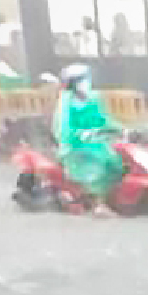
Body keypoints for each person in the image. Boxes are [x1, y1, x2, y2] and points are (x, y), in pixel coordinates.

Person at [52, 64, 126, 216]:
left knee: (120, 160)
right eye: (82, 80)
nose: (87, 83)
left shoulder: (94, 98)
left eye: (86, 79)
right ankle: (99, 204)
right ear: (72, 84)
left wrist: (122, 129)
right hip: (74, 148)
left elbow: (104, 119)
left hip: (98, 142)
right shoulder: (66, 102)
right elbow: (62, 129)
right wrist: (80, 134)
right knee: (99, 165)